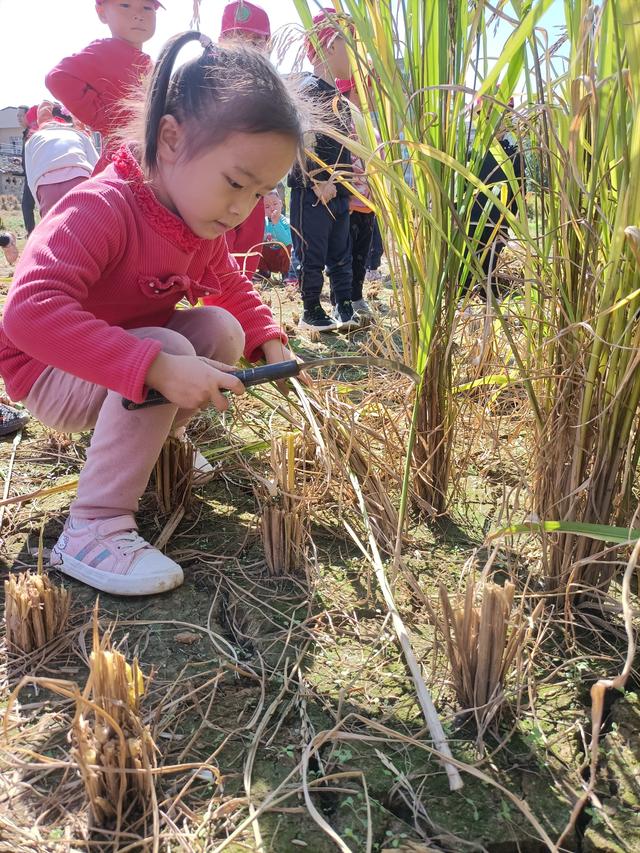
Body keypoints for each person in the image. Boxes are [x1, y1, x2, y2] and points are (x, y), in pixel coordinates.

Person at [0, 33, 306, 597]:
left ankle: (146, 445)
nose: (242, 208)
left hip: (117, 359)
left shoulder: (191, 220)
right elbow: (27, 314)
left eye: (261, 192)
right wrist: (158, 368)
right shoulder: (102, 207)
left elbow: (231, 288)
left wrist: (270, 339)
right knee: (173, 350)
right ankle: (94, 524)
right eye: (236, 182)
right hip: (48, 370)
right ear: (169, 139)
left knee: (221, 330)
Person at [288, 8, 357, 333]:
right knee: (312, 251)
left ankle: (344, 304)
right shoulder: (306, 87)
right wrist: (317, 180)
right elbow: (301, 137)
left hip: (340, 189)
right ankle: (311, 308)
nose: (355, 52)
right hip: (311, 191)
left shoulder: (341, 99)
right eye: (350, 42)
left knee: (339, 250)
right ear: (329, 44)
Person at [45, 0, 161, 172]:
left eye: (147, 8)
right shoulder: (105, 50)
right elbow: (57, 78)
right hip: (122, 164)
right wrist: (105, 118)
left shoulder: (150, 63)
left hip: (150, 159)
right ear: (102, 13)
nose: (138, 15)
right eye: (125, 5)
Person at [206, 1, 272, 283]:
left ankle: (241, 299)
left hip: (253, 186)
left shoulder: (268, 89)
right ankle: (215, 301)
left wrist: (272, 188)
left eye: (258, 40)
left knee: (250, 243)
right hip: (216, 182)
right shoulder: (207, 78)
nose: (250, 47)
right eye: (241, 38)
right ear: (222, 41)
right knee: (216, 244)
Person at [25, 101, 99, 218]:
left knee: (53, 231)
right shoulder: (79, 134)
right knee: (85, 227)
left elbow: (31, 177)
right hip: (79, 180)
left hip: (46, 187)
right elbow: (97, 165)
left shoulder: (33, 139)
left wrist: (41, 204)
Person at [258, 190, 294, 280]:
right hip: (269, 256)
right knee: (257, 247)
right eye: (267, 206)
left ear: (281, 204)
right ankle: (264, 271)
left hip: (281, 257)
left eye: (275, 204)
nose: (272, 208)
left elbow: (287, 241)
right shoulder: (263, 222)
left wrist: (276, 223)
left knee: (288, 248)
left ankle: (286, 273)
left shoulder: (285, 222)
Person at [17, 105, 37, 237]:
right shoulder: (26, 133)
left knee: (28, 206)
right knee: (27, 206)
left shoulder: (33, 132)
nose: (18, 119)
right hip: (29, 175)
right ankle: (32, 233)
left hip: (35, 175)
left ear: (27, 116)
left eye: (20, 115)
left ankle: (33, 233)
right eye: (17, 116)